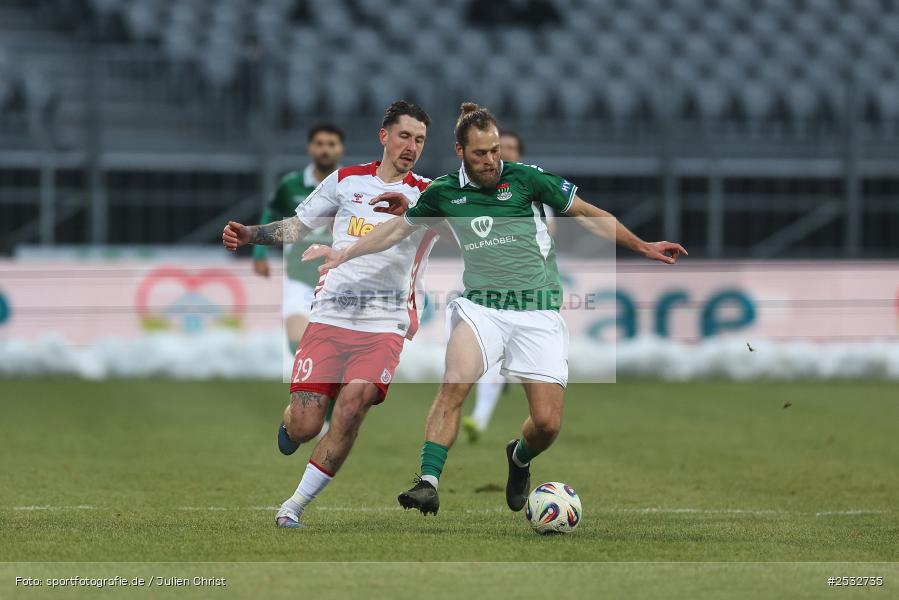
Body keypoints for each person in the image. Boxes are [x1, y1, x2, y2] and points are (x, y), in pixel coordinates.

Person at [312, 102, 686, 516]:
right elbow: (395, 231)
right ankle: (428, 482)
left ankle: (519, 457)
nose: (492, 160)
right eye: (480, 153)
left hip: (537, 310)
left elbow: (587, 213)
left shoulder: (527, 179)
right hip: (481, 308)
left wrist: (642, 245)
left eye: (495, 151)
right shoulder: (443, 192)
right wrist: (343, 254)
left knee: (547, 424)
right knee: (454, 385)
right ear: (460, 151)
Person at [222, 101, 436, 528]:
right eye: (404, 136)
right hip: (331, 315)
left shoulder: (430, 193)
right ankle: (290, 425)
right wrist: (251, 235)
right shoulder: (345, 181)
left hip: (385, 322)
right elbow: (298, 226)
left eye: (420, 140)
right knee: (305, 425)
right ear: (384, 136)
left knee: (353, 406)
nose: (411, 146)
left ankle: (292, 507)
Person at [253, 124, 344, 435]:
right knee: (299, 343)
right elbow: (271, 214)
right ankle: (318, 412)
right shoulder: (291, 184)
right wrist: (259, 253)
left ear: (340, 149)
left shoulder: (352, 185)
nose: (325, 149)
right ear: (310, 148)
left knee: (338, 357)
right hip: (299, 278)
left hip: (338, 284)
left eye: (331, 143)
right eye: (319, 143)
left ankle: (325, 418)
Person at [459, 128, 541, 443]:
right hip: (489, 289)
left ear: (519, 154)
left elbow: (550, 235)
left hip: (529, 291)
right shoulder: (474, 192)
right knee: (491, 354)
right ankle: (479, 420)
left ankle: (539, 422)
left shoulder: (532, 191)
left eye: (509, 148)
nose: (502, 153)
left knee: (527, 364)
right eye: (497, 148)